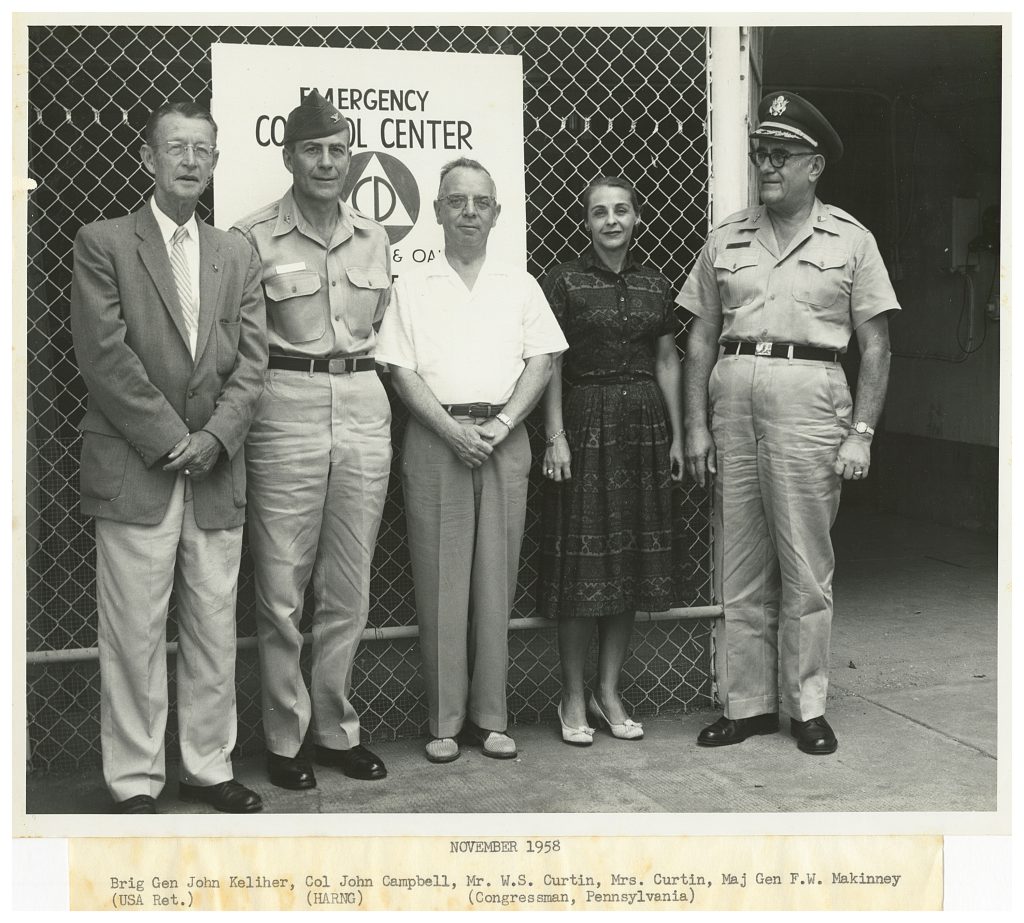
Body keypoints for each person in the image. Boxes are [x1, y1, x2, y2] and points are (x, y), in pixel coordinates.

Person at [677, 91, 899, 755]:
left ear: (814, 166)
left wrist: (861, 432)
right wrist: (694, 423)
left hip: (811, 399)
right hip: (735, 402)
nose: (767, 165)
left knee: (805, 563)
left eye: (782, 155)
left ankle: (806, 706)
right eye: (760, 154)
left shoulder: (850, 240)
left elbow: (878, 345)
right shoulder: (728, 239)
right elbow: (699, 337)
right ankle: (747, 706)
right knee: (741, 562)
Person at [69, 100, 267, 813]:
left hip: (215, 467)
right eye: (175, 148)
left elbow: (253, 363)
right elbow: (102, 355)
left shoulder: (236, 251)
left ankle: (209, 767)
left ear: (216, 163)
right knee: (133, 629)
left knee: (214, 622)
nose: (190, 160)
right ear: (147, 159)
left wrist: (214, 438)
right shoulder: (103, 242)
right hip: (136, 467)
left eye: (202, 150)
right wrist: (170, 438)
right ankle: (135, 778)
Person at [375, 158, 568, 763]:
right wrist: (449, 430)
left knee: (495, 580)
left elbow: (542, 360)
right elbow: (400, 369)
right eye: (455, 201)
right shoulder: (414, 287)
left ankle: (492, 718)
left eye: (480, 202)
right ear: (436, 211)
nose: (468, 212)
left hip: (504, 437)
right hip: (436, 439)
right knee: (441, 581)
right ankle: (443, 721)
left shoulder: (520, 284)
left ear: (497, 213)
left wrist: (505, 423)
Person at [231, 90, 392, 791]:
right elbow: (239, 343)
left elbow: (381, 318)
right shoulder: (252, 236)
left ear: (350, 155)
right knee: (281, 590)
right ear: (289, 156)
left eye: (338, 149)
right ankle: (285, 737)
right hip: (284, 403)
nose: (327, 162)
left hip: (362, 398)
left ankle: (334, 729)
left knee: (349, 588)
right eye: (313, 150)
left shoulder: (373, 235)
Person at [539, 176, 685, 746]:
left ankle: (609, 692)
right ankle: (571, 696)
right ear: (587, 223)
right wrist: (554, 433)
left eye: (621, 210)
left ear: (636, 219)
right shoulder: (565, 281)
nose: (611, 221)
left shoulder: (655, 284)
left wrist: (677, 435)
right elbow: (549, 361)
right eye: (599, 212)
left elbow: (668, 359)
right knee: (584, 568)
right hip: (585, 421)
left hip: (644, 427)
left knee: (626, 567)